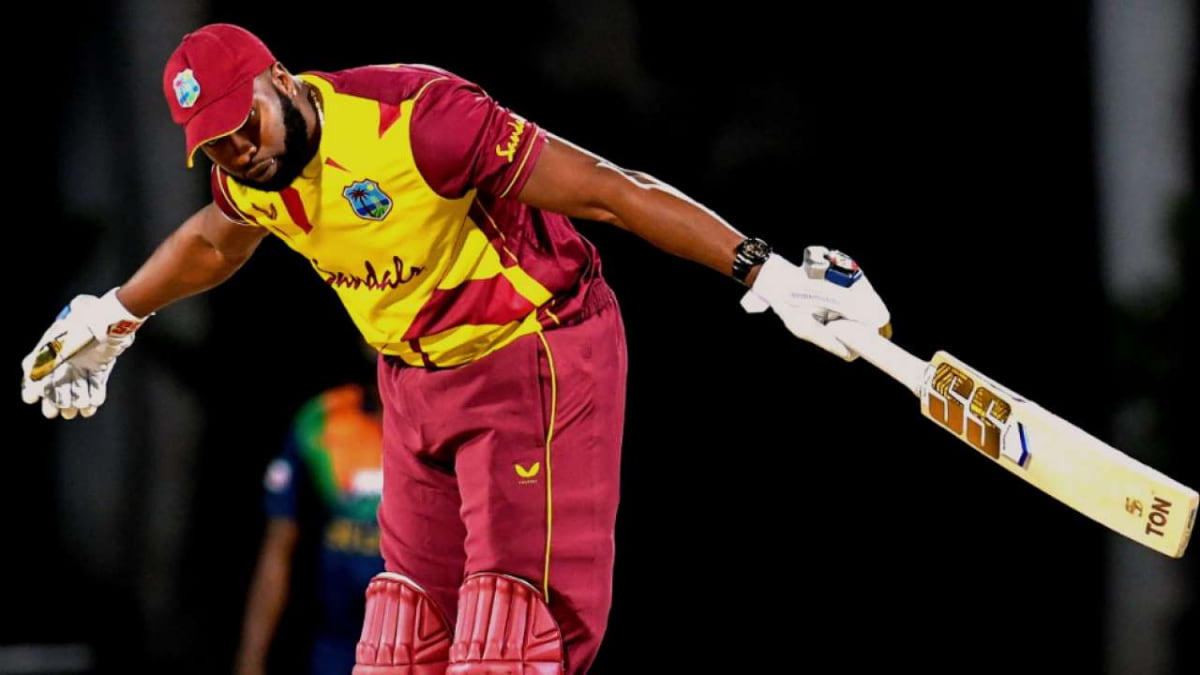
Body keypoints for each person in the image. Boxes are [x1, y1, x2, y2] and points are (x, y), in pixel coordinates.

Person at [19, 23, 891, 674]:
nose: (237, 151)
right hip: (415, 388)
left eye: (242, 123)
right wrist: (114, 316)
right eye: (214, 144)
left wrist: (761, 270)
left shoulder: (415, 120)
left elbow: (607, 192)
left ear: (279, 80)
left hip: (533, 358)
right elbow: (214, 240)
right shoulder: (246, 177)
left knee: (515, 641)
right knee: (408, 645)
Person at [234, 379, 385, 675]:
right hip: (334, 639)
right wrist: (251, 659)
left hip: (421, 638)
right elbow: (278, 545)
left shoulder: (452, 420)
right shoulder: (322, 419)